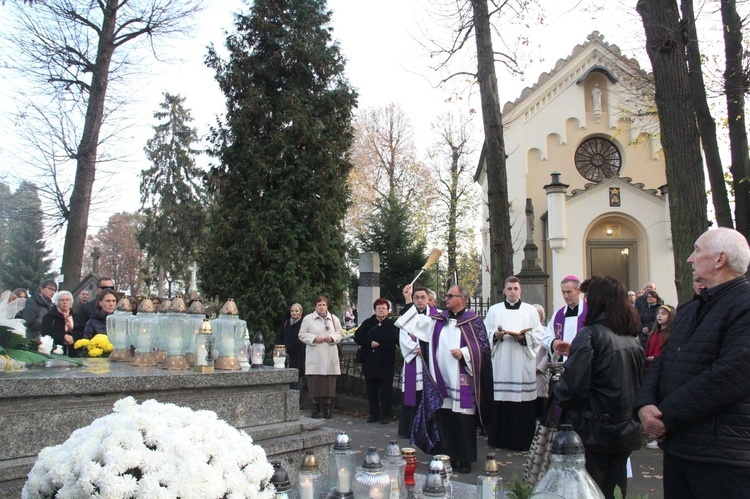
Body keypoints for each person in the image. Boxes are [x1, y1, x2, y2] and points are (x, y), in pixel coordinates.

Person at [634, 228, 750, 498]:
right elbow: (664, 360)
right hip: (680, 448)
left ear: (720, 259)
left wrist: (665, 417)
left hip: (722, 456)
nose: (689, 258)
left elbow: (732, 374)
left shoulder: (744, 305)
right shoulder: (690, 309)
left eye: (697, 250)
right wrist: (644, 403)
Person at [553, 276, 644, 499]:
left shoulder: (591, 335)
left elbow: (572, 388)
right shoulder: (631, 337)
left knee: (588, 490)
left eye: (589, 298)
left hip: (594, 429)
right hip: (624, 428)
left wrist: (556, 387)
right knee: (615, 489)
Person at [395, 285, 493, 474]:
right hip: (440, 380)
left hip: (462, 380)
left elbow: (483, 348)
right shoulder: (438, 320)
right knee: (445, 418)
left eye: (450, 296)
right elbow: (413, 323)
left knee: (462, 420)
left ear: (462, 299)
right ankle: (446, 456)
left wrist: (464, 353)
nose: (445, 299)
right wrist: (408, 299)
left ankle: (464, 459)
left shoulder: (473, 320)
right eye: (446, 295)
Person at [483, 276, 544, 451]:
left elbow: (539, 334)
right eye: (509, 288)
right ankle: (498, 440)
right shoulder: (494, 310)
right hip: (501, 360)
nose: (512, 292)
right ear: (504, 290)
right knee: (501, 401)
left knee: (522, 403)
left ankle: (521, 441)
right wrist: (495, 335)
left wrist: (525, 337)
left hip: (521, 361)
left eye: (515, 288)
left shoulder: (530, 311)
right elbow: (484, 333)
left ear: (520, 290)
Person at [398, 284, 438, 438]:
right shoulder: (407, 316)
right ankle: (410, 429)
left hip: (430, 361)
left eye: (423, 297)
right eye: (417, 297)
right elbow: (403, 337)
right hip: (414, 359)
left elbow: (438, 336)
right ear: (413, 299)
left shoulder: (437, 315)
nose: (420, 300)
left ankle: (429, 429)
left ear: (428, 299)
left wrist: (428, 349)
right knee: (413, 395)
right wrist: (419, 348)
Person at [298, 295, 344, 419]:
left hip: (330, 355)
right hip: (315, 355)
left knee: (329, 383)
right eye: (319, 305)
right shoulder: (308, 319)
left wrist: (332, 337)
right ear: (315, 306)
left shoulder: (333, 319)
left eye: (324, 305)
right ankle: (316, 407)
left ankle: (327, 407)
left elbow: (340, 333)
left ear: (327, 306)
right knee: (315, 382)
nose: (322, 307)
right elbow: (301, 334)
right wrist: (314, 338)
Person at [355, 298, 399, 424]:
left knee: (386, 391)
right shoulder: (368, 323)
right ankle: (374, 413)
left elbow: (399, 340)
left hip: (386, 363)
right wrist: (369, 343)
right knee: (371, 391)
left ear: (388, 311)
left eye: (383, 308)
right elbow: (358, 337)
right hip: (370, 362)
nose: (381, 310)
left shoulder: (392, 325)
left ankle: (386, 415)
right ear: (374, 310)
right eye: (379, 308)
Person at [542, 275, 588, 360]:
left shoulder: (589, 311)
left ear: (578, 291)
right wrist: (554, 342)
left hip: (583, 361)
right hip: (563, 363)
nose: (566, 296)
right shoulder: (558, 315)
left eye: (569, 292)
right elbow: (547, 337)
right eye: (563, 292)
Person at [278, 303, 305, 407]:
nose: (294, 313)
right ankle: (286, 403)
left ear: (301, 313)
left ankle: (297, 403)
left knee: (297, 378)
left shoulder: (303, 324)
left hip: (297, 354)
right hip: (284, 354)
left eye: (296, 311)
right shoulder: (285, 323)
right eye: (292, 311)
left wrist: (288, 350)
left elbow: (301, 340)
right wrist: (282, 350)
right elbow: (279, 337)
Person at [41, 291, 78, 357]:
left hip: (73, 353)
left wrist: (74, 338)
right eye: (62, 300)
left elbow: (81, 331)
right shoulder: (49, 317)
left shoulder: (75, 316)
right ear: (58, 302)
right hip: (56, 352)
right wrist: (63, 337)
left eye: (67, 300)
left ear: (71, 302)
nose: (65, 302)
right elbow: (45, 334)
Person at [532, 304, 550, 420]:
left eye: (538, 314)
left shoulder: (545, 331)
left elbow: (549, 352)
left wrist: (540, 368)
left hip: (539, 373)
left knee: (540, 408)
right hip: (526, 373)